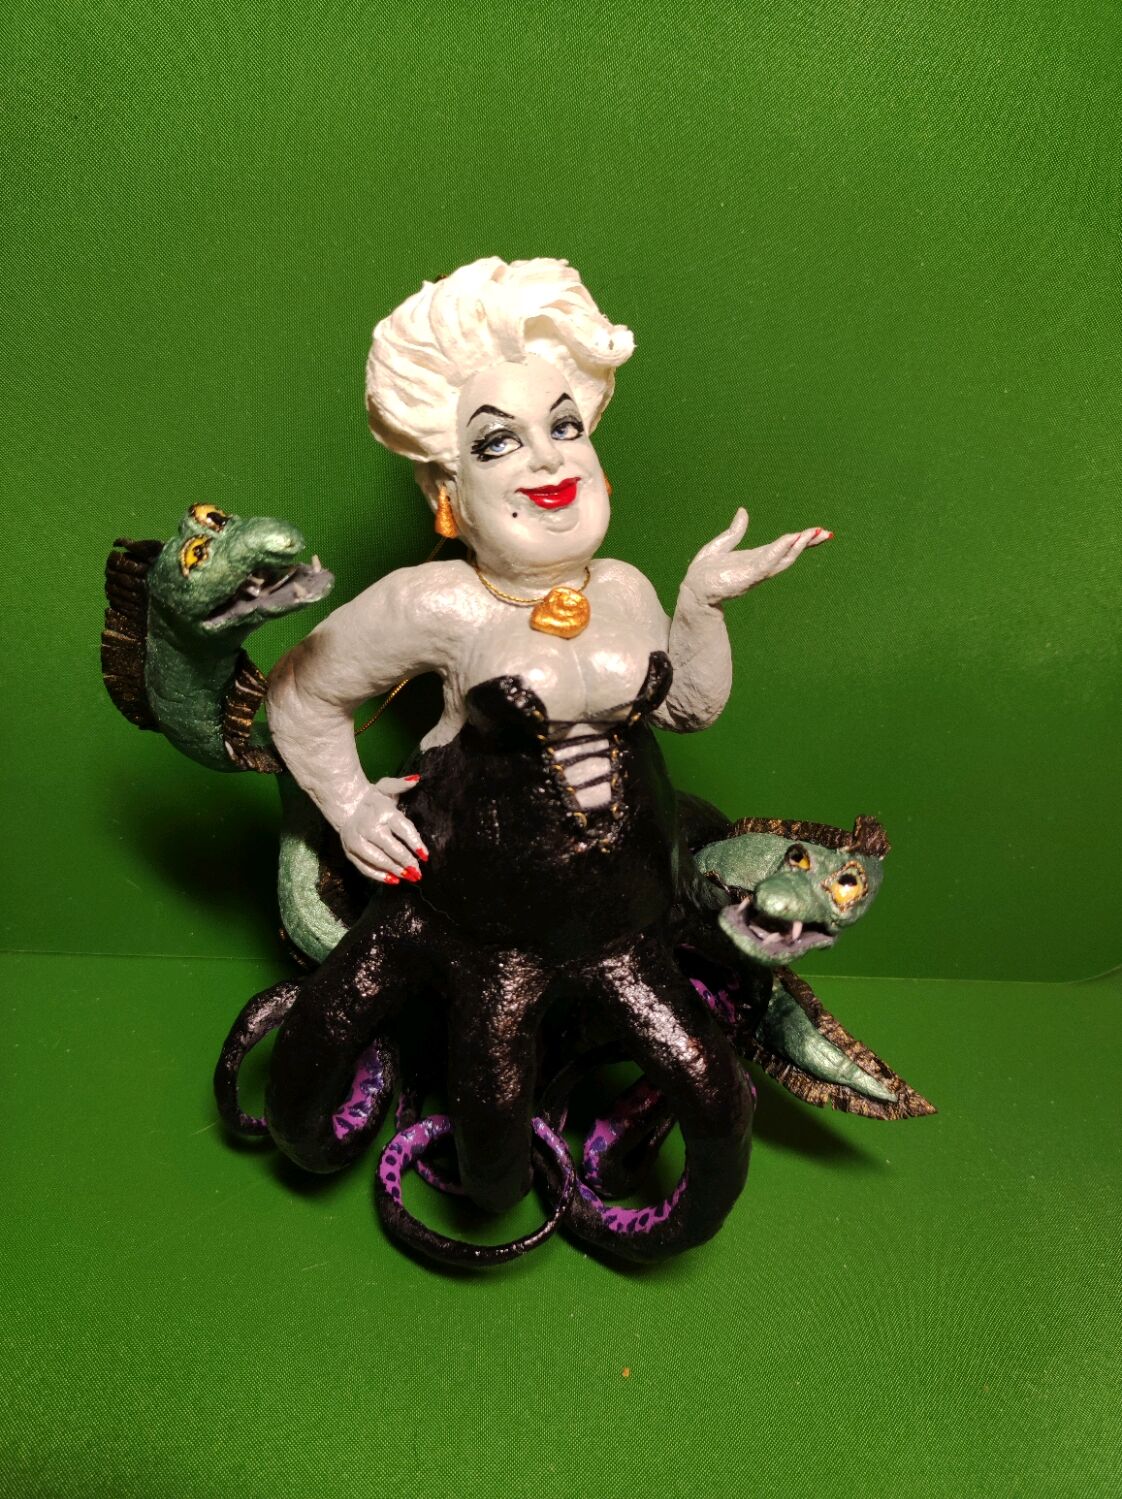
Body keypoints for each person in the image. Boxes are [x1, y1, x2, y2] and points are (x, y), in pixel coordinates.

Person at [260, 257, 831, 1261]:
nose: (544, 460)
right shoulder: (437, 603)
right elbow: (301, 695)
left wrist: (700, 604)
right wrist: (350, 808)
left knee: (715, 1104)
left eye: (564, 427)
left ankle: (637, 1213)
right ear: (450, 492)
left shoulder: (626, 586)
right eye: (499, 442)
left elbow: (687, 709)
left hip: (626, 919)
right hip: (473, 925)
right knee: (480, 1159)